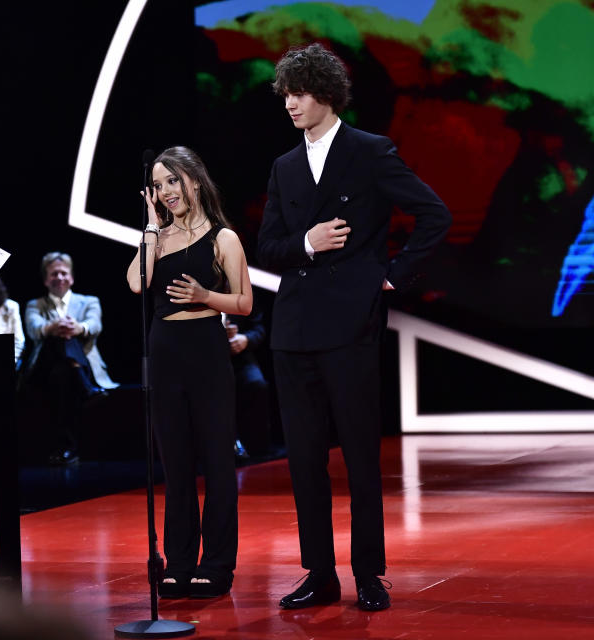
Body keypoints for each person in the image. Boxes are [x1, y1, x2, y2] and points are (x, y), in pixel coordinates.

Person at [257, 44, 451, 611]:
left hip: (351, 325)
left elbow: (433, 214)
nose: (290, 103)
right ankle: (320, 572)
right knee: (303, 458)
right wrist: (306, 244)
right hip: (292, 331)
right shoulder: (284, 166)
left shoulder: (369, 151)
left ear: (327, 93)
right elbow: (268, 247)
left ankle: (368, 573)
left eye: (300, 92)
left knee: (361, 456)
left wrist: (391, 277)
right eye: (286, 94)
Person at [126, 146, 253, 598]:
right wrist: (149, 229)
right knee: (176, 465)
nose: (165, 192)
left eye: (172, 181)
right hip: (164, 350)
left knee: (217, 462)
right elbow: (136, 282)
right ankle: (179, 562)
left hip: (205, 348)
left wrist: (203, 295)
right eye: (158, 185)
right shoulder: (157, 237)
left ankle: (217, 563)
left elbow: (244, 302)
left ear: (194, 181)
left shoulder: (224, 238)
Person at [21, 252, 118, 465]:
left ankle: (65, 448)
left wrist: (78, 328)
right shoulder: (34, 305)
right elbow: (34, 330)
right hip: (43, 366)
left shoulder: (89, 301)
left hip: (75, 366)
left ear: (72, 278)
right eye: (54, 273)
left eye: (64, 273)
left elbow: (95, 325)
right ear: (46, 279)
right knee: (57, 339)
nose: (60, 277)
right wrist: (55, 327)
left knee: (61, 373)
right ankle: (86, 387)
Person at [222, 304, 271, 459]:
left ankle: (258, 449)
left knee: (256, 383)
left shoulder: (243, 288)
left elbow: (259, 328)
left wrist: (245, 339)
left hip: (240, 358)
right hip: (210, 361)